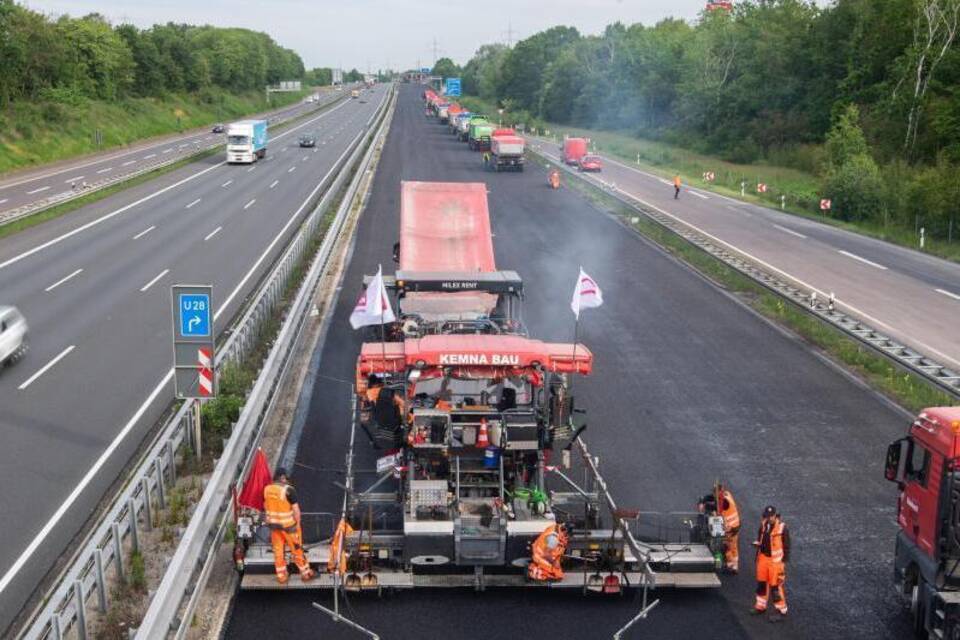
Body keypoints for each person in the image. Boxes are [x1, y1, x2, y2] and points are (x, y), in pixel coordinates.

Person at [263, 468, 315, 584]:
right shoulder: (289, 490)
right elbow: (296, 510)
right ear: (282, 477)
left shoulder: (267, 489)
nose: (286, 480)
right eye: (285, 478)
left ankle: (281, 575)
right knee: (296, 549)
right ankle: (305, 573)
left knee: (278, 551)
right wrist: (297, 523)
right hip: (289, 527)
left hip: (274, 526)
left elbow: (266, 505)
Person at [751, 505, 790, 620]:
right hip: (763, 559)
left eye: (771, 516)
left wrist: (783, 562)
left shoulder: (782, 528)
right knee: (761, 585)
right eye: (767, 516)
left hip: (775, 563)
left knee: (776, 587)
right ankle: (760, 606)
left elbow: (787, 546)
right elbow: (760, 539)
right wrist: (757, 544)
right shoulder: (763, 525)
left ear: (775, 515)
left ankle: (781, 610)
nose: (769, 518)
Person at [698, 483, 741, 573]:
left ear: (720, 491)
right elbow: (710, 497)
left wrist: (704, 505)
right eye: (714, 493)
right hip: (729, 526)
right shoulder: (725, 494)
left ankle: (734, 566)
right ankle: (730, 564)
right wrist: (703, 501)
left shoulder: (725, 502)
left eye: (716, 493)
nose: (714, 495)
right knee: (726, 545)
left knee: (730, 546)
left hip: (732, 527)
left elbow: (715, 507)